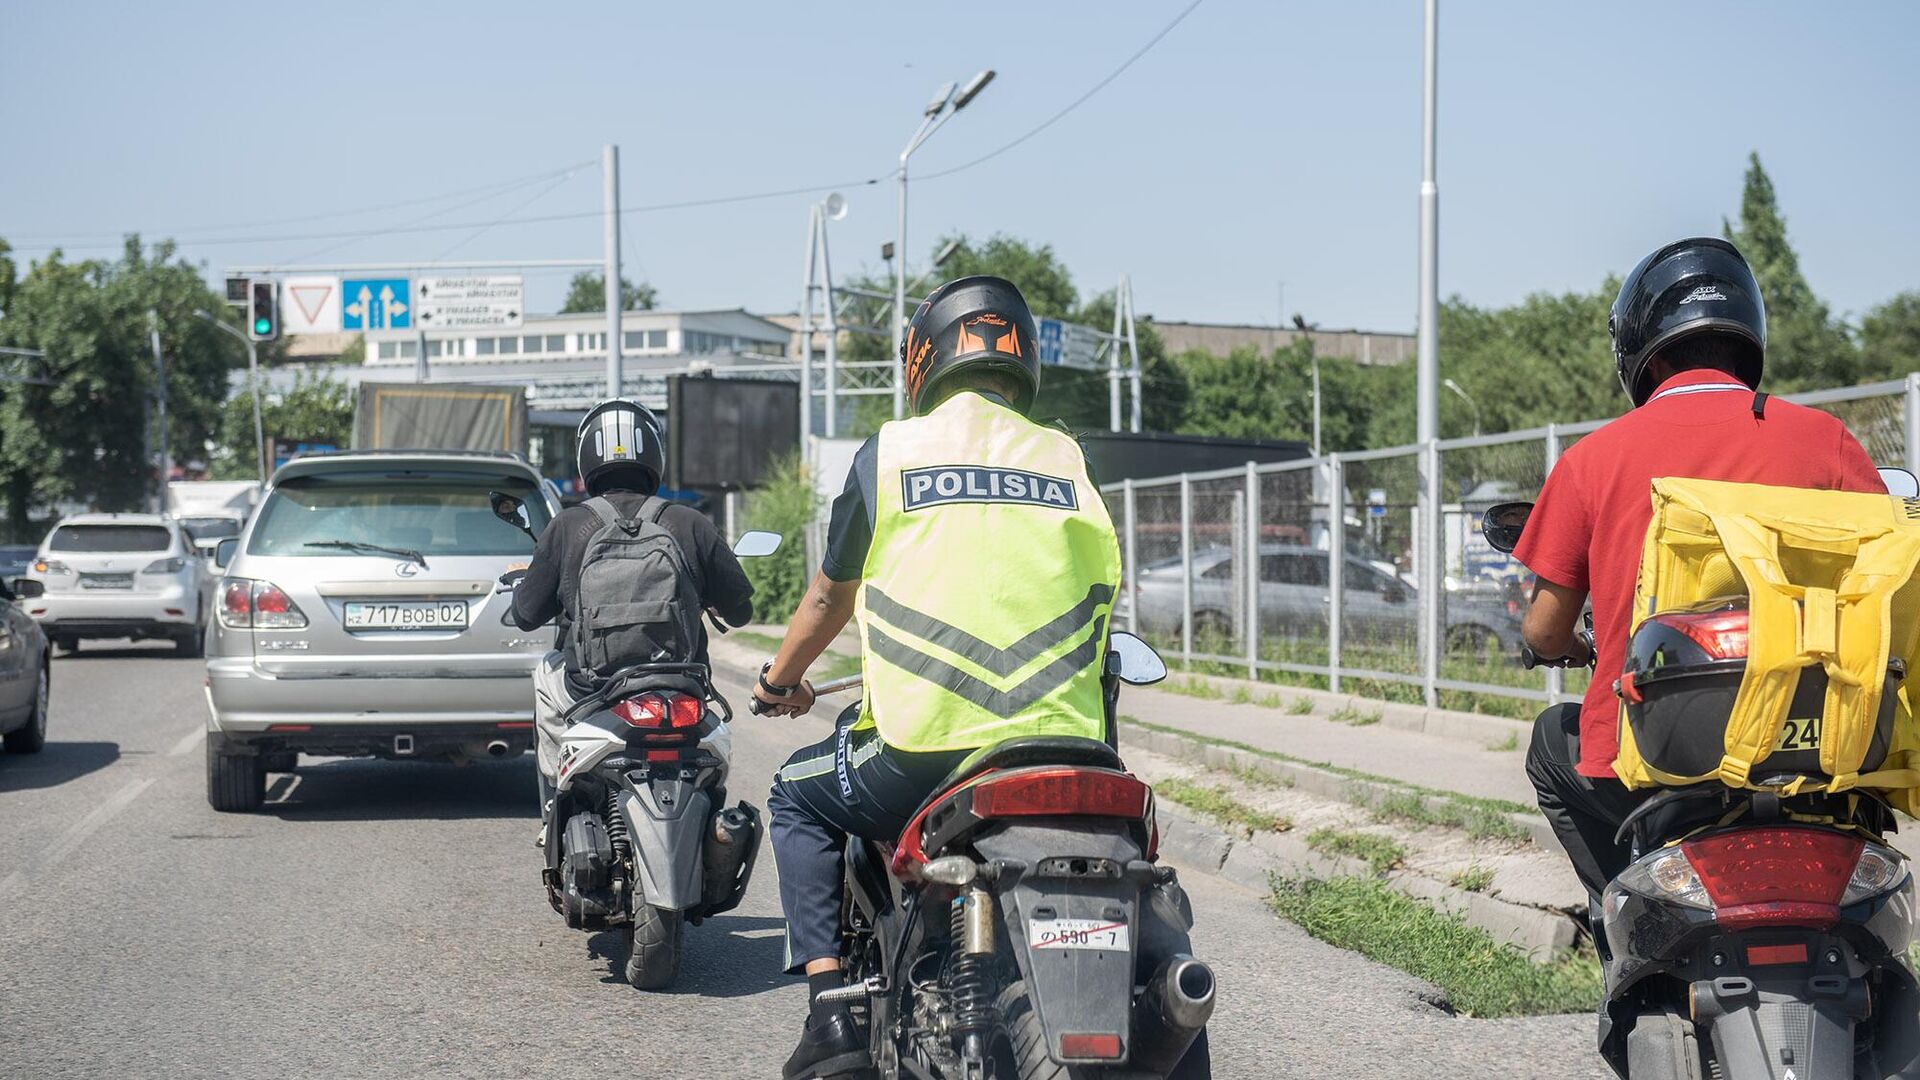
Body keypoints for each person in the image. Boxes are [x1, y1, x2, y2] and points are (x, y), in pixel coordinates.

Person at [752, 276, 1169, 1079]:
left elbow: (826, 598)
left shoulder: (893, 453)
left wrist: (779, 681)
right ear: (1023, 357)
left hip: (924, 751)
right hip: (1068, 748)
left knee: (793, 794)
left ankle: (832, 1009)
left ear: (922, 361)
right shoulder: (1066, 456)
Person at [1514, 236, 1884, 901]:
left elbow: (1543, 632)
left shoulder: (1594, 460)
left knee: (1550, 741)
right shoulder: (1825, 440)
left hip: (1649, 760)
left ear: (1639, 347)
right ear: (1746, 334)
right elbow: (1883, 575)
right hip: (1818, 743)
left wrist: (1578, 645)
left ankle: (1625, 912)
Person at [510, 398, 755, 821]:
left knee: (545, 671)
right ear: (653, 455)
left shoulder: (568, 526)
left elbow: (526, 615)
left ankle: (555, 803)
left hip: (593, 691)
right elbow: (741, 613)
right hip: (682, 686)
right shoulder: (690, 522)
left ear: (587, 456)